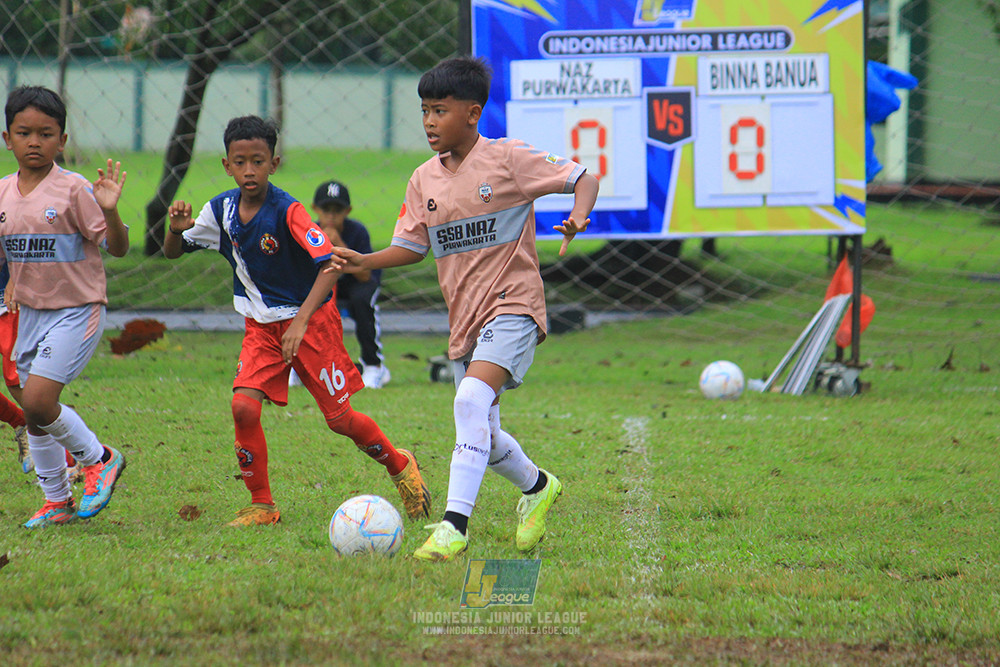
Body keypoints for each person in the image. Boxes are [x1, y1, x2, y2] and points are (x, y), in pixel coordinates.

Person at [329, 56, 599, 561]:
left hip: (514, 306)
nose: (429, 121)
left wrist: (578, 216)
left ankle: (454, 525)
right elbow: (413, 245)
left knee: (469, 403)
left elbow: (583, 176)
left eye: (439, 110)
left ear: (472, 113)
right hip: (465, 320)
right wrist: (363, 259)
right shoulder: (422, 180)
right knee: (487, 437)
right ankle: (539, 487)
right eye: (424, 111)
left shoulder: (509, 159)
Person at [163, 115, 430, 526]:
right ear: (226, 165)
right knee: (243, 408)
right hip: (261, 328)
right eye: (240, 161)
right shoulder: (220, 211)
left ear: (274, 163)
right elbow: (174, 251)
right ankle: (263, 504)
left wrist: (302, 321)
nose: (249, 170)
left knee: (341, 421)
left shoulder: (289, 211)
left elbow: (330, 266)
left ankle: (400, 466)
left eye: (258, 160)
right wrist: (174, 231)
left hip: (312, 323)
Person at [0, 85, 129, 528]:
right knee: (35, 416)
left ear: (63, 141)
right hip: (31, 315)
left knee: (37, 402)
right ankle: (57, 501)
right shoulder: (1, 195)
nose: (34, 141)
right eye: (24, 132)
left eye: (46, 133)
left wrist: (111, 212)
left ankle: (100, 458)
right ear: (7, 138)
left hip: (77, 308)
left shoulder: (74, 189)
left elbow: (118, 247)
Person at [312, 179, 390, 389]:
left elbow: (365, 275)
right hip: (324, 285)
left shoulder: (357, 232)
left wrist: (338, 243)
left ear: (347, 211)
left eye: (337, 210)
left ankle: (373, 366)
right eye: (325, 209)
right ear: (315, 209)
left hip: (356, 285)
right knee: (306, 301)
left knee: (362, 300)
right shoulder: (309, 233)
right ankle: (303, 368)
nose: (331, 215)